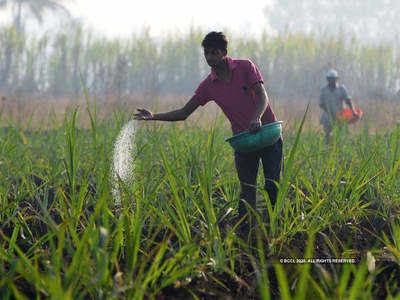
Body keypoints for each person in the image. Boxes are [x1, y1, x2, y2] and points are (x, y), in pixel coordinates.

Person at [134, 31, 283, 233]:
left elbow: (262, 95)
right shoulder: (209, 85)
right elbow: (184, 112)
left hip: (267, 134)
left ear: (224, 52)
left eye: (214, 53)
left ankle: (272, 229)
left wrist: (257, 117)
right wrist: (153, 116)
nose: (210, 58)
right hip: (245, 141)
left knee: (272, 186)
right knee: (247, 190)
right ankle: (245, 233)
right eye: (206, 53)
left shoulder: (245, 67)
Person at [319, 69, 359, 143]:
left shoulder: (341, 89)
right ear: (327, 79)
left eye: (334, 79)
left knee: (343, 136)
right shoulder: (324, 90)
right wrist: (330, 113)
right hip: (327, 117)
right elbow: (321, 104)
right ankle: (328, 149)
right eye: (330, 79)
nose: (332, 81)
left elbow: (348, 101)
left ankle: (340, 149)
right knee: (327, 136)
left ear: (337, 79)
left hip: (340, 116)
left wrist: (353, 111)